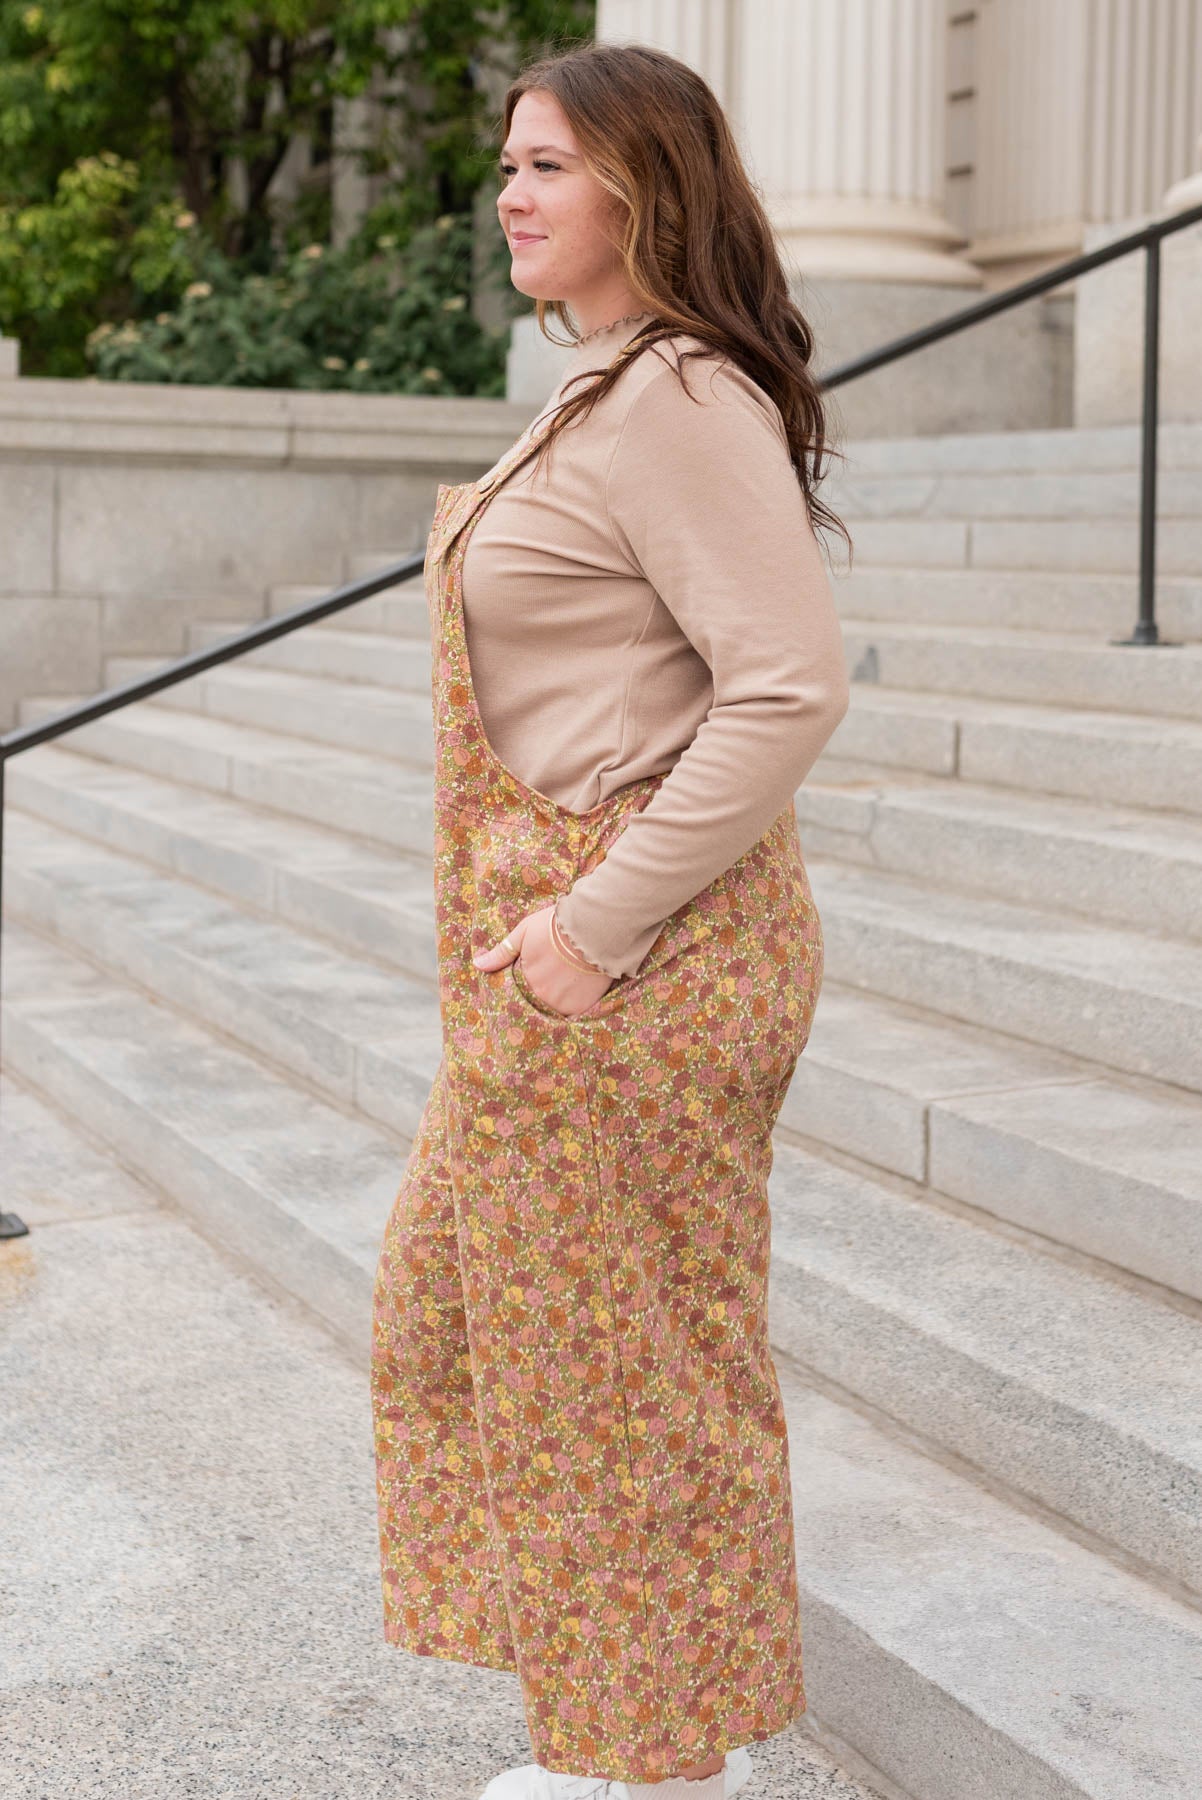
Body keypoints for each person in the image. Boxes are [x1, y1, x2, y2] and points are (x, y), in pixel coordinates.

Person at [371, 38, 852, 1800]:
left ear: (647, 184)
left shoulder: (675, 397)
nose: (510, 192)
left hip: (642, 955)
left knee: (620, 1371)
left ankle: (642, 1763)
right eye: (507, 163)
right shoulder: (601, 385)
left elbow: (787, 686)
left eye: (548, 166)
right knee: (463, 1326)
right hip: (568, 954)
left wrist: (602, 926)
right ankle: (629, 1724)